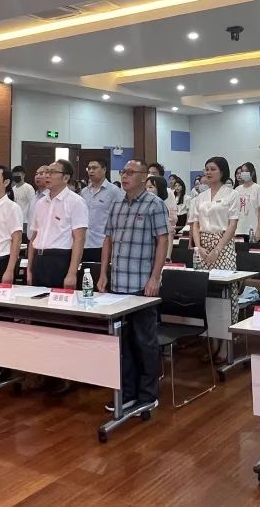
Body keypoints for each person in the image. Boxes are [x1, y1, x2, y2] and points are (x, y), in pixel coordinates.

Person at [98, 159, 168, 412]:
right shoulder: (116, 204)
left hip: (141, 284)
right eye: (123, 172)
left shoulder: (154, 204)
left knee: (144, 341)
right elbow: (108, 240)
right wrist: (103, 273)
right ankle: (127, 392)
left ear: (143, 176)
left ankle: (148, 394)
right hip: (118, 283)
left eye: (130, 172)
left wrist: (155, 277)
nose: (124, 176)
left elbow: (162, 241)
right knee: (122, 342)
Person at [188, 156, 238, 361]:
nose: (208, 172)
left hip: (223, 245)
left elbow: (232, 224)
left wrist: (218, 249)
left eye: (212, 169)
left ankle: (226, 343)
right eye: (206, 169)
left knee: (225, 294)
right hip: (202, 246)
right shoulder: (199, 197)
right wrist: (199, 246)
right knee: (207, 295)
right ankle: (213, 341)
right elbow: (195, 224)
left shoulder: (232, 194)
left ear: (222, 172)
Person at [27, 159, 88, 290]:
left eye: (52, 172)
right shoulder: (40, 203)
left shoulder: (76, 202)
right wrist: (29, 268)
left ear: (66, 178)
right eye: (46, 172)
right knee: (36, 301)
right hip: (39, 259)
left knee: (58, 301)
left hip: (60, 260)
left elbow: (79, 239)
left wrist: (72, 273)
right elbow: (34, 237)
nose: (47, 175)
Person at [81, 157, 126, 263]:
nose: (91, 171)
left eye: (94, 168)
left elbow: (121, 217)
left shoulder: (114, 191)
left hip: (103, 243)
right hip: (84, 243)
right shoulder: (84, 192)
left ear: (104, 169)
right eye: (89, 168)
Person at [231, 162, 260, 240]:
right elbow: (234, 211)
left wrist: (259, 228)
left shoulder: (259, 189)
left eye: (246, 171)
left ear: (252, 173)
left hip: (253, 228)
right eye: (242, 171)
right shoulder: (237, 189)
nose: (244, 173)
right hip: (239, 229)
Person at [11, 166, 36, 235]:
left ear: (23, 175)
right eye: (14, 175)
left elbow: (33, 205)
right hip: (15, 220)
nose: (16, 176)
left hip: (25, 220)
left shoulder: (28, 188)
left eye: (18, 174)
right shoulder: (13, 189)